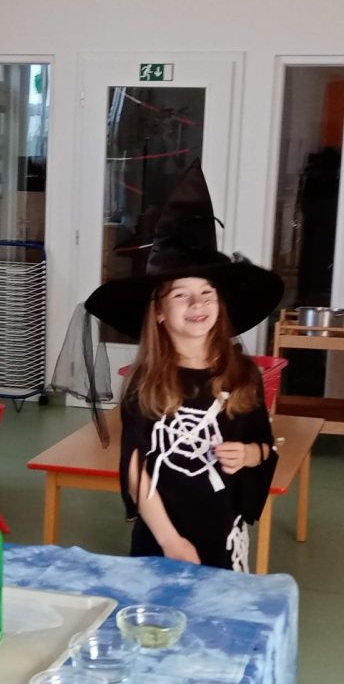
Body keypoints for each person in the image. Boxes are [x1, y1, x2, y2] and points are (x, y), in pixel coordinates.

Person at [85, 163, 283, 571]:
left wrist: (247, 454)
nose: (197, 304)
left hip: (224, 533)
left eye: (208, 293)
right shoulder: (146, 382)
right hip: (161, 536)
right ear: (158, 311)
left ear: (220, 304)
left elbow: (265, 446)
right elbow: (137, 467)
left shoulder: (242, 375)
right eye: (181, 294)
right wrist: (170, 541)